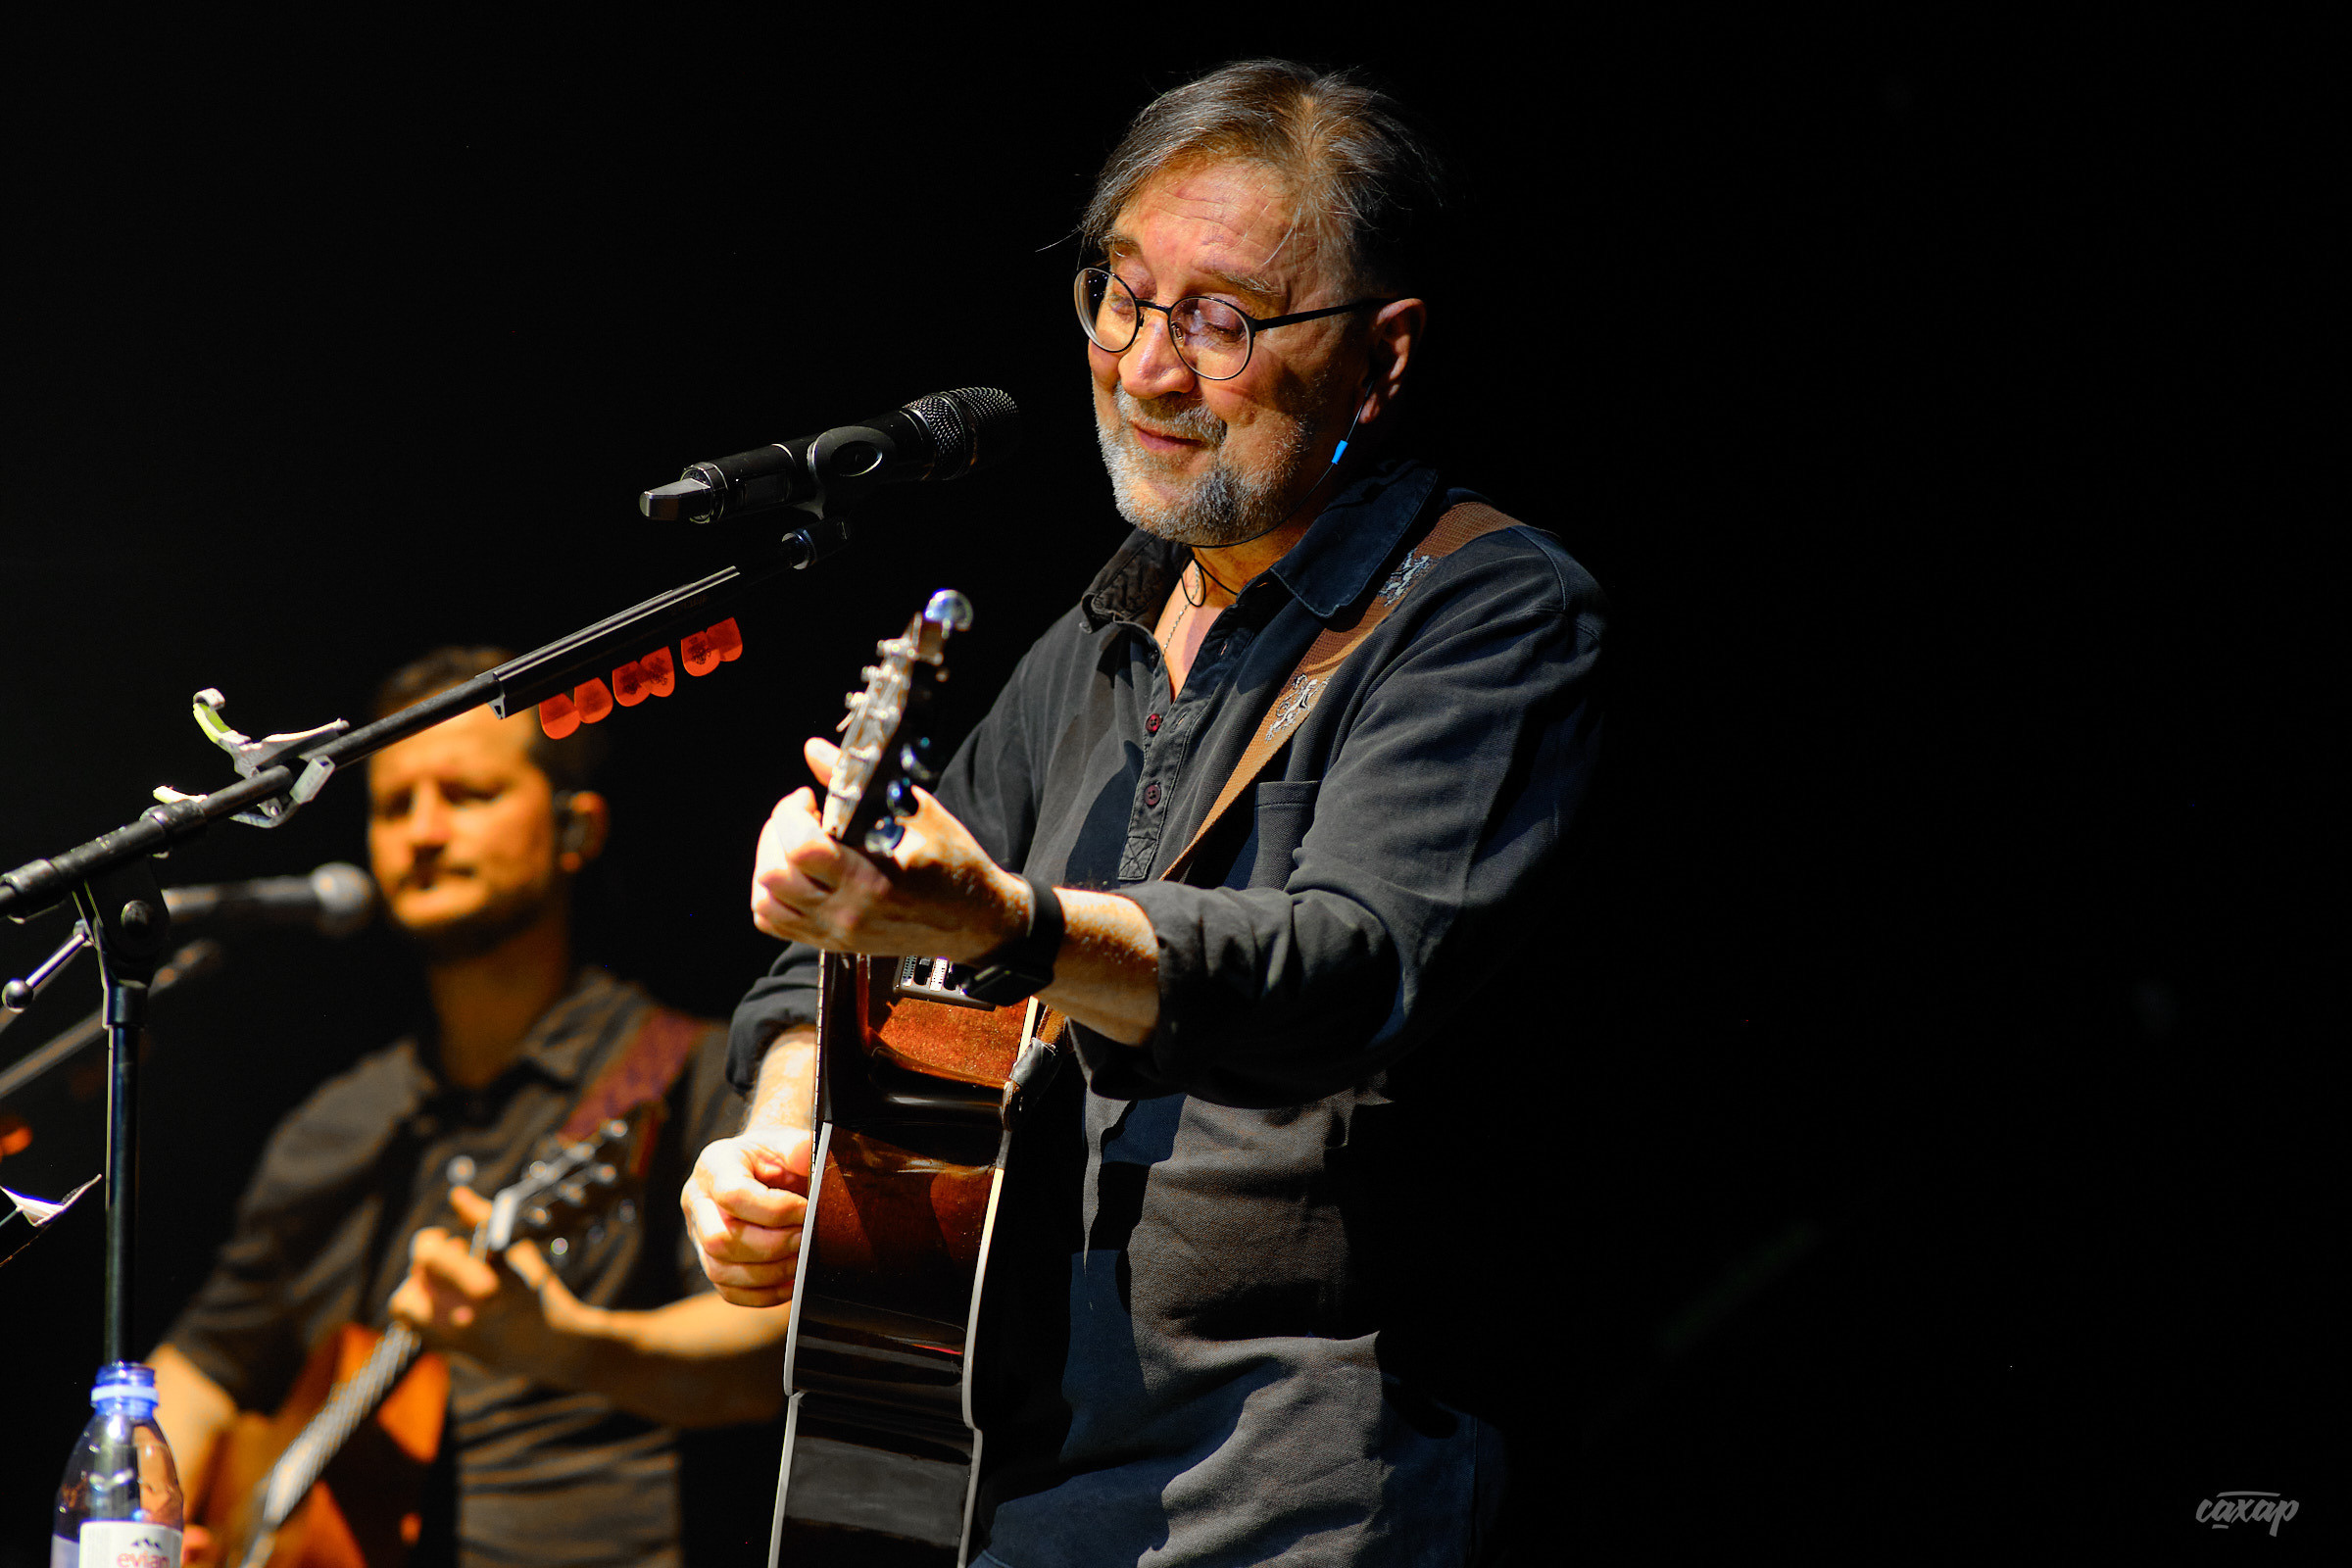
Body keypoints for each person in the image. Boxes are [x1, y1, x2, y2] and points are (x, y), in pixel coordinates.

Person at [685, 60, 1606, 1565]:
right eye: (1123, 296)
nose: (1148, 367)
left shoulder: (1489, 613)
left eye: (1223, 320)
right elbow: (823, 971)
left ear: (1381, 359)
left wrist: (1008, 925)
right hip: (1004, 1481)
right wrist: (778, 1156)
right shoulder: (1095, 644)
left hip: (1305, 1482)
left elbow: (1349, 962)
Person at [152, 648, 791, 1568]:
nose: (423, 832)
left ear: (577, 829)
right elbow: (202, 1367)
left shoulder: (690, 1071)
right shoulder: (342, 1124)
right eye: (392, 806)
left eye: (469, 795)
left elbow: (774, 1349)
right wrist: (145, 1504)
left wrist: (573, 1347)